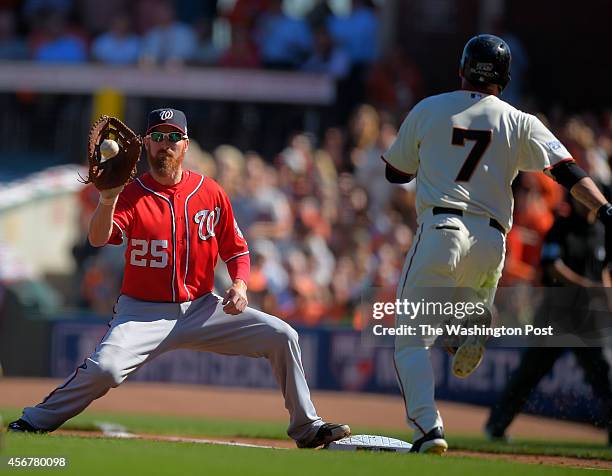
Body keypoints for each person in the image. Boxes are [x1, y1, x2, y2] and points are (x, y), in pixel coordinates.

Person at [7, 108, 351, 449]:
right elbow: (98, 238)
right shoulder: (131, 193)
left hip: (202, 308)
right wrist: (108, 198)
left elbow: (237, 249)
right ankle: (34, 420)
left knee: (283, 335)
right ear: (146, 144)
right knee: (106, 370)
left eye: (173, 137)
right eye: (157, 137)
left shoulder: (210, 192)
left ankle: (307, 428)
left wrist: (240, 284)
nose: (165, 144)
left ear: (185, 145)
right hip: (142, 313)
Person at [381, 34, 612, 453]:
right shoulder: (519, 119)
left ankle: (428, 429)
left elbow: (395, 173)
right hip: (491, 240)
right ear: (504, 78)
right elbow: (567, 172)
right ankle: (469, 326)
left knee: (411, 338)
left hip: (442, 228)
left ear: (462, 68)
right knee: (454, 318)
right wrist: (607, 211)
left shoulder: (429, 108)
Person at [485, 194, 612, 446]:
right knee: (530, 371)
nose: (584, 202)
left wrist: (606, 295)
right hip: (556, 316)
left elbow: (605, 270)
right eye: (580, 197)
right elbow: (551, 266)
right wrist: (587, 287)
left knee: (605, 374)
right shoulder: (560, 227)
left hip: (588, 319)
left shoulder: (601, 231)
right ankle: (496, 426)